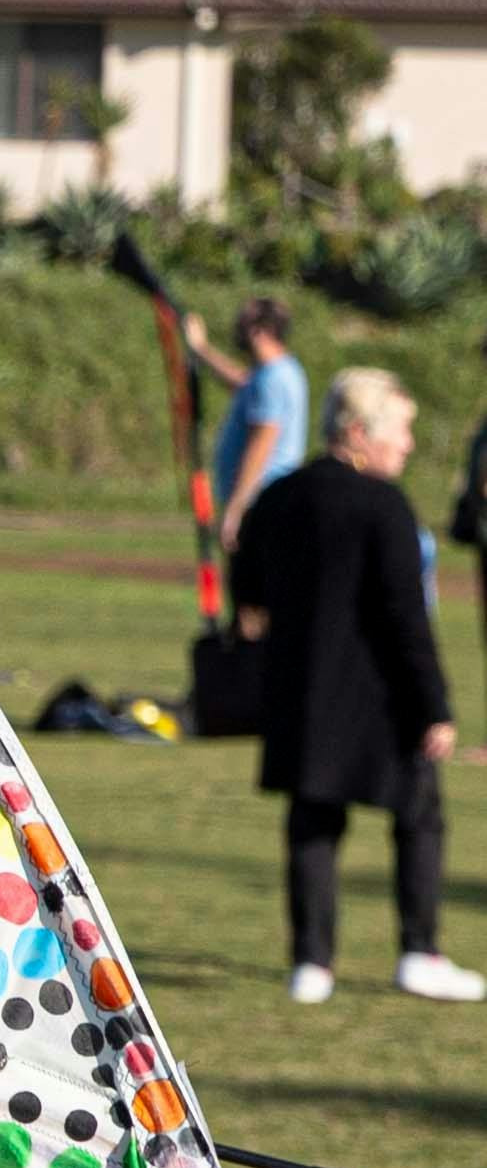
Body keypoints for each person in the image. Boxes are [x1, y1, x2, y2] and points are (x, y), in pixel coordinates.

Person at [233, 365, 468, 1006]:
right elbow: (404, 617)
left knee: (312, 819)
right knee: (419, 815)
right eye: (402, 429)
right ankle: (419, 950)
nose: (409, 444)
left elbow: (247, 588)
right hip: (378, 697)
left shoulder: (280, 497)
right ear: (360, 433)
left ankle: (312, 963)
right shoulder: (383, 504)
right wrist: (435, 707)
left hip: (302, 692)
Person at [181, 293, 308, 560]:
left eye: (245, 325)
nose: (238, 332)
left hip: (259, 504)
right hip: (267, 502)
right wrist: (201, 349)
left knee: (253, 593)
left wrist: (235, 509)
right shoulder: (278, 372)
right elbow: (242, 384)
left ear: (261, 331)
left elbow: (261, 444)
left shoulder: (271, 379)